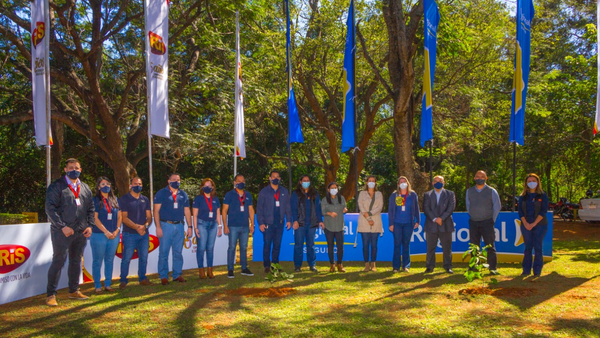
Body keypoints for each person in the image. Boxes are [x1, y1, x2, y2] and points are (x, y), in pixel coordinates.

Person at [45, 158, 94, 306]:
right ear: (65, 169)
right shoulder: (56, 186)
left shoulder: (85, 187)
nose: (74, 170)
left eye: (77, 168)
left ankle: (74, 291)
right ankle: (51, 295)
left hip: (80, 232)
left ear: (81, 170)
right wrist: (62, 226)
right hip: (62, 232)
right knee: (58, 261)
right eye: (71, 167)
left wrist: (89, 226)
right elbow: (50, 209)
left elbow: (91, 208)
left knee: (76, 261)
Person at [154, 173, 192, 285]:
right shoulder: (161, 193)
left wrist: (190, 226)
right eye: (174, 179)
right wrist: (158, 227)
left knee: (178, 252)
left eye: (178, 179)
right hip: (166, 225)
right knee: (164, 252)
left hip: (179, 225)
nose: (177, 181)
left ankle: (177, 274)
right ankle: (163, 276)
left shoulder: (183, 194)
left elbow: (187, 211)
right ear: (168, 181)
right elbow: (155, 211)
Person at [119, 177, 153, 289]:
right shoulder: (124, 199)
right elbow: (124, 218)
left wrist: (145, 226)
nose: (138, 185)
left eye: (140, 183)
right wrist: (137, 227)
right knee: (126, 258)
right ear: (130, 185)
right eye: (135, 183)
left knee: (144, 257)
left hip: (144, 234)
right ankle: (123, 280)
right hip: (129, 234)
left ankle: (142, 278)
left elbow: (149, 217)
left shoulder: (145, 199)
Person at [466, 170, 501, 275]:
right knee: (474, 247)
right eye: (477, 176)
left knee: (490, 246)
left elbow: (497, 206)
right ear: (474, 178)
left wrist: (491, 220)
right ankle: (474, 267)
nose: (479, 178)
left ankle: (492, 268)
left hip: (487, 222)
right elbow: (468, 206)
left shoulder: (491, 191)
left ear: (486, 178)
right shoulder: (469, 191)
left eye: (482, 176)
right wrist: (474, 215)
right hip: (473, 222)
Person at [90, 177, 122, 293]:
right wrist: (106, 232)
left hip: (114, 236)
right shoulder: (95, 200)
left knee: (109, 260)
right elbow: (95, 218)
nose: (106, 186)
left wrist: (117, 230)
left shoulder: (115, 199)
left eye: (108, 184)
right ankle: (97, 285)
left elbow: (119, 216)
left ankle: (108, 284)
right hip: (99, 235)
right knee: (97, 261)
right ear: (98, 187)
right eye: (103, 184)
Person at [257, 170, 292, 273]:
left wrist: (289, 220)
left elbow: (288, 207)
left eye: (277, 177)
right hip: (268, 223)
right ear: (270, 178)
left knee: (277, 245)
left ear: (280, 179)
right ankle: (267, 265)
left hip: (280, 222)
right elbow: (259, 208)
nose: (275, 178)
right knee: (267, 244)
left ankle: (275, 264)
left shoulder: (284, 191)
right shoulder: (264, 192)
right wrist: (261, 222)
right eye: (273, 177)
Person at [222, 174, 255, 278]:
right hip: (233, 226)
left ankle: (244, 268)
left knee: (244, 247)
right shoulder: (229, 194)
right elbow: (224, 210)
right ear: (234, 183)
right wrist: (225, 225)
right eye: (239, 181)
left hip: (245, 226)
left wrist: (252, 224)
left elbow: (251, 210)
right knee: (232, 247)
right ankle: (230, 269)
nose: (241, 183)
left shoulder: (248, 195)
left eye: (243, 181)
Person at [518, 173, 549, 277]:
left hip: (540, 225)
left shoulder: (542, 195)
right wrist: (526, 223)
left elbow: (543, 210)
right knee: (528, 247)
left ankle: (537, 271)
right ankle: (526, 270)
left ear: (538, 182)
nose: (532, 183)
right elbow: (520, 212)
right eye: (529, 181)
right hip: (525, 225)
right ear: (526, 183)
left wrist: (534, 223)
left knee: (538, 247)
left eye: (534, 181)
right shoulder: (523, 196)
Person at [423, 176, 456, 274]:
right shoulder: (427, 195)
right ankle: (430, 266)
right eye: (436, 181)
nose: (438, 183)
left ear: (444, 183)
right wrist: (435, 219)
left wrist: (441, 218)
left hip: (445, 224)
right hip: (431, 224)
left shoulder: (450, 194)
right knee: (430, 247)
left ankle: (448, 266)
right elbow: (426, 208)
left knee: (447, 247)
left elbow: (451, 207)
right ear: (432, 183)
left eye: (440, 181)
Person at [291, 175, 323, 273]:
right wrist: (295, 220)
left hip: (312, 224)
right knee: (298, 245)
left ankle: (312, 265)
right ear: (300, 182)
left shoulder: (315, 194)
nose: (306, 182)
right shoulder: (295, 194)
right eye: (304, 180)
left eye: (308, 180)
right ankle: (297, 265)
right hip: (300, 224)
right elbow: (293, 208)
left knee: (311, 245)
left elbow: (318, 208)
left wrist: (320, 220)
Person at [388, 176, 420, 273]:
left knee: (406, 244)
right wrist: (391, 224)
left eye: (404, 181)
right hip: (397, 223)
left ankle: (406, 266)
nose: (402, 183)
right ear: (398, 185)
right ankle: (396, 266)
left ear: (407, 183)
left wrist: (418, 220)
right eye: (400, 182)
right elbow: (390, 210)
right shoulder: (394, 195)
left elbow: (417, 208)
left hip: (408, 224)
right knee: (397, 244)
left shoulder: (412, 194)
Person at [192, 178, 222, 279]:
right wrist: (195, 227)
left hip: (213, 225)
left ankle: (210, 270)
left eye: (210, 185)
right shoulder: (198, 198)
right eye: (205, 185)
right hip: (201, 224)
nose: (208, 187)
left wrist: (220, 226)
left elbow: (218, 213)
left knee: (210, 248)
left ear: (213, 187)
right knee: (201, 248)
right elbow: (194, 215)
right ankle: (201, 271)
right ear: (202, 187)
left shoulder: (215, 199)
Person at [357, 175, 384, 272]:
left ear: (375, 183)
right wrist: (368, 218)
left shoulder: (379, 194)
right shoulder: (362, 194)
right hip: (364, 221)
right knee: (365, 244)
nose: (371, 182)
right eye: (369, 180)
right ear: (366, 182)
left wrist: (370, 213)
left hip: (376, 222)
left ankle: (373, 264)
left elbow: (380, 207)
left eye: (373, 181)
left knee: (374, 245)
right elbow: (361, 206)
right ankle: (366, 264)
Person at [321, 182, 348, 273]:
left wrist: (345, 210)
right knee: (330, 246)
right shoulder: (325, 200)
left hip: (340, 226)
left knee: (340, 246)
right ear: (328, 190)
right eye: (332, 188)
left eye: (335, 187)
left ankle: (339, 264)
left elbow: (345, 207)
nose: (334, 189)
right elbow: (323, 211)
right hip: (329, 226)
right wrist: (329, 213)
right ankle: (332, 264)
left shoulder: (342, 198)